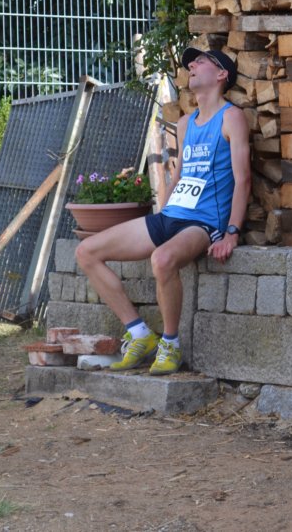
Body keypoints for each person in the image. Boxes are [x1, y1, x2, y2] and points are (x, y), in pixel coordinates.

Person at [74, 46, 252, 375]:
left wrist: (231, 232)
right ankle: (140, 334)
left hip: (203, 223)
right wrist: (161, 214)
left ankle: (170, 344)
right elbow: (180, 176)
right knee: (86, 252)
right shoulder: (185, 124)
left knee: (162, 259)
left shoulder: (231, 118)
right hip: (171, 216)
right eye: (191, 63)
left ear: (221, 74)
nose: (192, 65)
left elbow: (243, 180)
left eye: (201, 61)